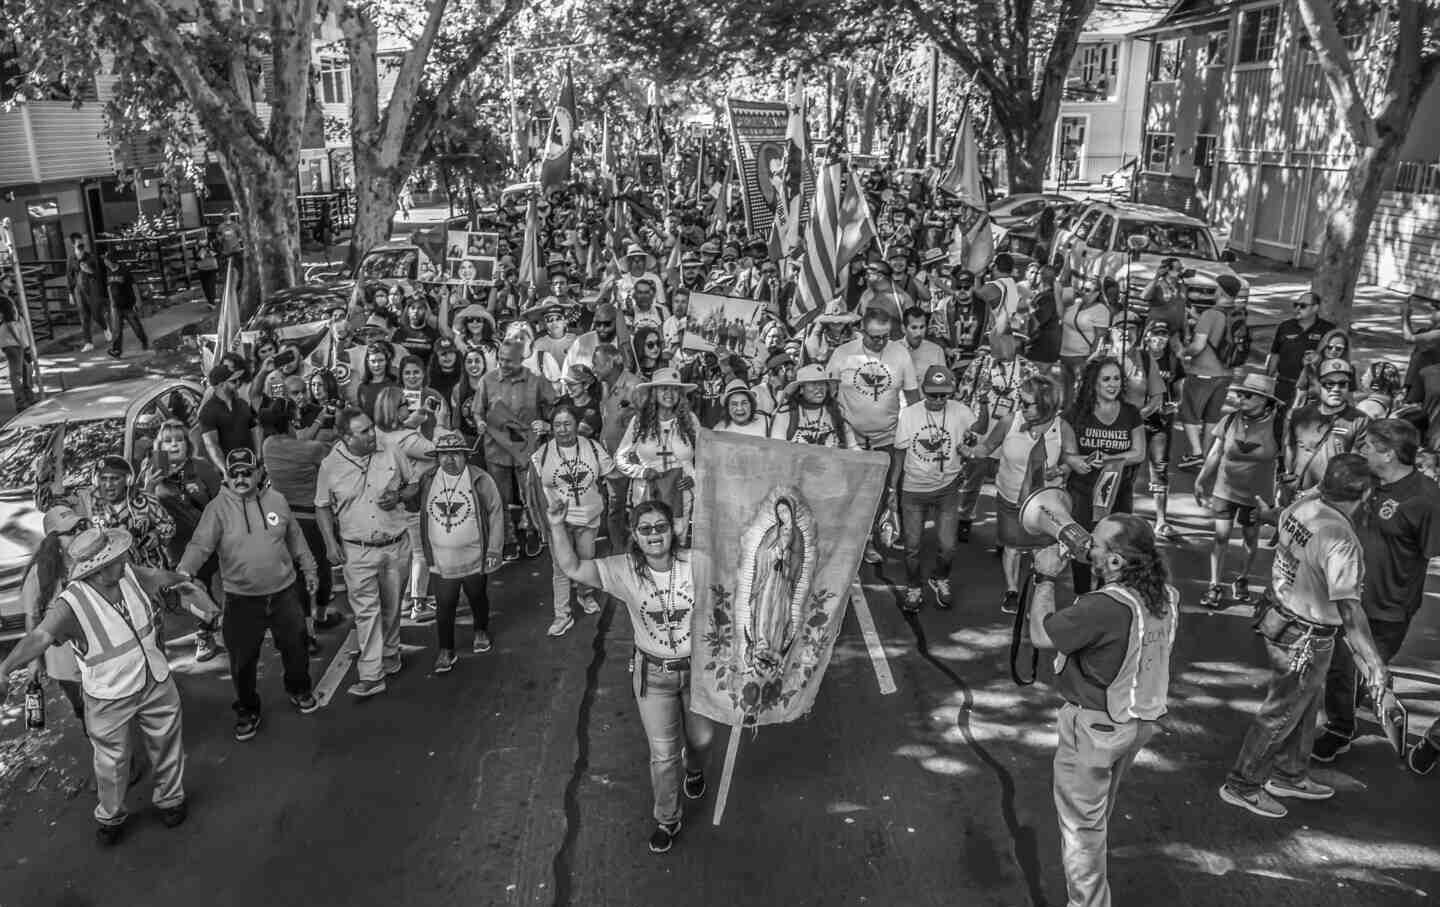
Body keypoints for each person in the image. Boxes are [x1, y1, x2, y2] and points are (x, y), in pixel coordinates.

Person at [0, 527, 216, 845]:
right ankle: (111, 815)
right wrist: (6, 668)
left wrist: (185, 583)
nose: (123, 560)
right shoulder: (69, 604)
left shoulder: (129, 573)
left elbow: (159, 577)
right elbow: (40, 637)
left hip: (154, 679)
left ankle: (170, 799)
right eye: (115, 559)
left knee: (167, 743)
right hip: (108, 695)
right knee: (111, 763)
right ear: (98, 569)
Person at [1220, 454, 1388, 818]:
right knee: (1281, 712)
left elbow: (1278, 517)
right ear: (1365, 493)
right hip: (1306, 634)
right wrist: (1373, 663)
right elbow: (1349, 608)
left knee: (1304, 702)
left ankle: (1289, 773)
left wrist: (1266, 514)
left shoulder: (1306, 505)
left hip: (1279, 616)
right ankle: (1242, 784)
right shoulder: (1341, 539)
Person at [547, 498, 714, 854]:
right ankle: (667, 818)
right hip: (653, 675)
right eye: (646, 529)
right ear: (635, 536)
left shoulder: (698, 563)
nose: (654, 535)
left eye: (661, 527)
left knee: (701, 741)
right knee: (663, 754)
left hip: (698, 672)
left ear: (675, 530)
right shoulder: (623, 569)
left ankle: (695, 768)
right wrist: (558, 525)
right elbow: (572, 566)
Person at [1027, 514, 1179, 907]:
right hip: (1136, 721)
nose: (1086, 547)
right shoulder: (1164, 594)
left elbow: (1042, 634)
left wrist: (1045, 579)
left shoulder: (1103, 607)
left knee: (1082, 832)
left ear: (1115, 561)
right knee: (1098, 813)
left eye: (1095, 544)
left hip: (1093, 729)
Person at [1313, 420, 1440, 775]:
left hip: (1387, 608)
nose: (1361, 450)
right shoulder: (1362, 480)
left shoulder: (1427, 499)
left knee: (1356, 668)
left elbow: (1433, 551)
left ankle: (1350, 717)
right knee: (1341, 670)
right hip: (1343, 595)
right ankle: (1343, 723)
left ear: (1389, 452)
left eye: (1368, 445)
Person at [176, 449, 319, 741]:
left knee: (297, 646)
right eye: (234, 473)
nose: (240, 478)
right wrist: (183, 572)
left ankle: (299, 689)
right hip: (242, 599)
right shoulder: (217, 509)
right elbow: (200, 545)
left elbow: (294, 537)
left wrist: (311, 568)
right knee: (242, 660)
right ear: (226, 477)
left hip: (284, 592)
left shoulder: (277, 500)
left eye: (246, 472)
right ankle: (247, 709)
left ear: (258, 473)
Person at [314, 407, 420, 699]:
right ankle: (371, 675)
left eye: (371, 427)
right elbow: (322, 505)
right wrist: (330, 544)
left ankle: (390, 654)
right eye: (364, 431)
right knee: (366, 612)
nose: (373, 433)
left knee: (392, 607)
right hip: (357, 550)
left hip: (396, 544)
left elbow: (413, 485)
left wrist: (398, 495)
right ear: (346, 437)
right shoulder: (330, 465)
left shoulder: (391, 448)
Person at [828, 307, 920, 563]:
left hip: (887, 438)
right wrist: (841, 433)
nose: (880, 342)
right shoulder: (843, 354)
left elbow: (913, 398)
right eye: (874, 337)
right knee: (847, 492)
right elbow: (829, 395)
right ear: (861, 331)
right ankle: (845, 540)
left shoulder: (900, 354)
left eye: (885, 337)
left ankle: (867, 541)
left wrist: (914, 432)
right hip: (849, 439)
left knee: (879, 495)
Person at [974, 374, 1067, 613]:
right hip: (1011, 496)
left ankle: (1039, 588)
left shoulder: (1062, 427)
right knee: (1013, 547)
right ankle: (1012, 591)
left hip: (1043, 501)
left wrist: (1062, 469)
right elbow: (987, 446)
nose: (1021, 406)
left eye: (1027, 403)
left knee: (1041, 547)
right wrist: (972, 451)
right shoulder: (1010, 422)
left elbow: (1072, 459)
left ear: (1045, 405)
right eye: (1020, 400)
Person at [890, 365, 979, 611]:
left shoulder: (962, 412)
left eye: (943, 395)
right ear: (923, 391)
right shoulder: (909, 414)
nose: (939, 400)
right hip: (913, 490)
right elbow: (899, 452)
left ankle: (940, 577)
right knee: (912, 546)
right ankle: (914, 586)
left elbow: (976, 437)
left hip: (947, 488)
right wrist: (891, 489)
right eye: (933, 394)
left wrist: (970, 445)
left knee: (948, 545)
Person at [419, 431, 504, 672]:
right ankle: (446, 649)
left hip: (475, 555)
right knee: (445, 604)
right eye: (443, 455)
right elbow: (414, 504)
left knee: (477, 596)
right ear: (437, 458)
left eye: (455, 454)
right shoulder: (428, 479)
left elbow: (496, 513)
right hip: (440, 557)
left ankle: (480, 630)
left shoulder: (480, 479)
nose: (449, 460)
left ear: (465, 456)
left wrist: (495, 549)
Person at [1194, 372, 1279, 609]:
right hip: (1224, 490)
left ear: (1264, 400)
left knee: (1250, 539)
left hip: (1256, 496)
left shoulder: (1279, 426)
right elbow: (1215, 453)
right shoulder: (1230, 420)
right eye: (1239, 393)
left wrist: (1283, 498)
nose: (1240, 398)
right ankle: (1214, 585)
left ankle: (1242, 578)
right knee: (1220, 537)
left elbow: (1288, 464)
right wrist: (1201, 480)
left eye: (1247, 395)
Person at [1061, 359, 1145, 594]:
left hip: (1119, 491)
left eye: (1117, 378)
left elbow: (1139, 453)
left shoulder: (1130, 413)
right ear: (1092, 383)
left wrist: (1109, 458)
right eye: (1106, 379)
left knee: (1115, 546)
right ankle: (1081, 594)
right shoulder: (1075, 414)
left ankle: (1105, 593)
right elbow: (1067, 454)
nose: (1113, 384)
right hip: (1083, 491)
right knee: (1082, 545)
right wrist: (1076, 461)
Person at [534, 405, 617, 636]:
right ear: (551, 427)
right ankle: (562, 615)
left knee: (585, 560)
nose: (563, 430)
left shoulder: (592, 446)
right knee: (560, 568)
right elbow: (535, 490)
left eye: (567, 424)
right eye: (557, 425)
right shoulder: (541, 453)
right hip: (559, 522)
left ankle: (584, 594)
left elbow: (612, 472)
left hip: (588, 518)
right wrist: (544, 521)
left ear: (576, 424)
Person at [259, 400, 338, 640]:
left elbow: (299, 439)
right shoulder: (312, 450)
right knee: (321, 571)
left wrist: (318, 420)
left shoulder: (268, 445)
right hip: (310, 519)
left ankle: (306, 631)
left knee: (297, 576)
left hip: (281, 519)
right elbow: (330, 461)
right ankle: (321, 616)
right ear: (292, 422)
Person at [473, 339, 557, 561]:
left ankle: (532, 532)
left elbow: (555, 409)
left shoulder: (536, 381)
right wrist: (480, 422)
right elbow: (477, 411)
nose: (503, 364)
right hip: (496, 449)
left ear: (522, 359)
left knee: (529, 494)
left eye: (509, 361)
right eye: (500, 359)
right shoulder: (487, 380)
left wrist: (547, 425)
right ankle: (508, 537)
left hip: (525, 449)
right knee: (500, 498)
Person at [20, 506, 90, 734]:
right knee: (84, 709)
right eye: (70, 532)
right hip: (65, 663)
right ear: (54, 540)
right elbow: (32, 620)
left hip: (98, 654)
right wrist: (33, 661)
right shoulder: (40, 573)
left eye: (80, 527)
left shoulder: (92, 559)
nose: (78, 533)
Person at [615, 368, 700, 537]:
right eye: (664, 388)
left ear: (681, 394)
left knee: (677, 539)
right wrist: (642, 471)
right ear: (654, 393)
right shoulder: (640, 421)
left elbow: (706, 458)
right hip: (647, 493)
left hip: (680, 495)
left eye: (675, 389)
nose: (669, 393)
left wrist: (694, 479)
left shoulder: (689, 420)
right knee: (650, 539)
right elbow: (620, 458)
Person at [1177, 275, 1243, 469]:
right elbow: (1222, 333)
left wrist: (1184, 352)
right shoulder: (1238, 312)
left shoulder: (1211, 314)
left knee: (1188, 413)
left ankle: (1196, 453)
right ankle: (1204, 457)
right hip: (1226, 373)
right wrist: (1199, 319)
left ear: (1220, 291)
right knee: (1211, 416)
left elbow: (1198, 346)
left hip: (1203, 371)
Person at [1281, 358, 1368, 499]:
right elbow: (1290, 448)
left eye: (1342, 384)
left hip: (1332, 498)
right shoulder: (1299, 414)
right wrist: (1288, 479)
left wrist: (1315, 492)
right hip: (1296, 494)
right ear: (1318, 386)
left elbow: (1354, 467)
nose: (1336, 389)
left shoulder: (1360, 421)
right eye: (1329, 384)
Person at [1265, 292, 1334, 409]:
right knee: (1279, 420)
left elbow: (1332, 358)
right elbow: (1275, 354)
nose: (1297, 308)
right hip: (1284, 385)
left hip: (1312, 388)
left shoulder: (1327, 329)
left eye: (1303, 306)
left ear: (1315, 308)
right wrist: (1267, 379)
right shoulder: (1285, 326)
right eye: (1296, 305)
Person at [198, 362, 262, 476]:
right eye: (233, 381)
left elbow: (255, 428)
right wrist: (226, 472)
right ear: (221, 385)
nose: (238, 383)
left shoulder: (243, 403)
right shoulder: (207, 412)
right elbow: (211, 445)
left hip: (252, 465)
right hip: (231, 470)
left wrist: (258, 456)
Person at [1287, 328, 1350, 413]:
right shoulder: (1310, 368)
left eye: (1338, 348)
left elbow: (1350, 399)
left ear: (1344, 350)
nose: (1333, 351)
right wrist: (1293, 414)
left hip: (1337, 416)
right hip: (1312, 416)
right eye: (1329, 347)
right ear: (1323, 346)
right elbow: (1300, 396)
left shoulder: (1349, 370)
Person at [101, 248, 148, 358]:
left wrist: (138, 300)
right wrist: (111, 301)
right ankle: (116, 351)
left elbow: (134, 285)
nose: (104, 262)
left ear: (111, 261)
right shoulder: (108, 272)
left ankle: (144, 340)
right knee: (116, 329)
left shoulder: (124, 271)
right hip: (116, 306)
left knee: (136, 326)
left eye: (106, 260)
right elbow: (109, 287)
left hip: (128, 305)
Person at [68, 232, 109, 352]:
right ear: (73, 246)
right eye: (79, 245)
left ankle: (105, 327)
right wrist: (70, 292)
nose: (81, 247)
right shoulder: (71, 258)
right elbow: (69, 275)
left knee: (96, 314)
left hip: (92, 288)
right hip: (78, 290)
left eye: (82, 244)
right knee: (84, 317)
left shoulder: (90, 257)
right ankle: (88, 342)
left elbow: (99, 273)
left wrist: (89, 270)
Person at [0, 291, 36, 411]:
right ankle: (21, 401)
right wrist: (23, 344)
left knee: (26, 368)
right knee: (17, 373)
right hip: (12, 343)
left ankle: (28, 397)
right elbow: (11, 325)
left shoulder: (10, 303)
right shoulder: (6, 303)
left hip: (15, 341)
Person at [900, 306, 947, 377]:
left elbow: (942, 383)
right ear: (904, 329)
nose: (919, 333)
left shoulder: (937, 351)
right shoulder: (893, 350)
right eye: (914, 328)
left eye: (922, 327)